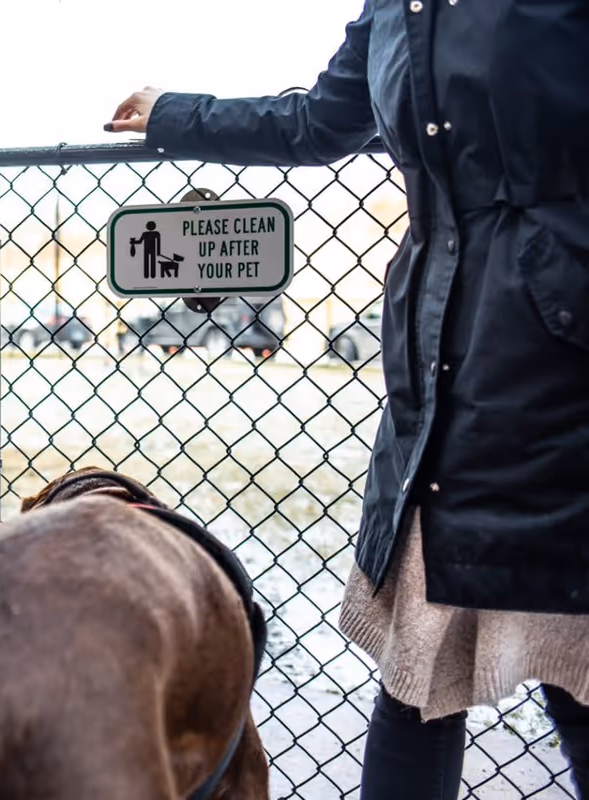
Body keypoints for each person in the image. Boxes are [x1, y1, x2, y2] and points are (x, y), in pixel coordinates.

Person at [107, 3, 589, 798]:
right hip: (437, 369)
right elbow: (318, 121)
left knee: (578, 670)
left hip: (559, 365)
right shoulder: (394, 11)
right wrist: (176, 115)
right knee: (417, 672)